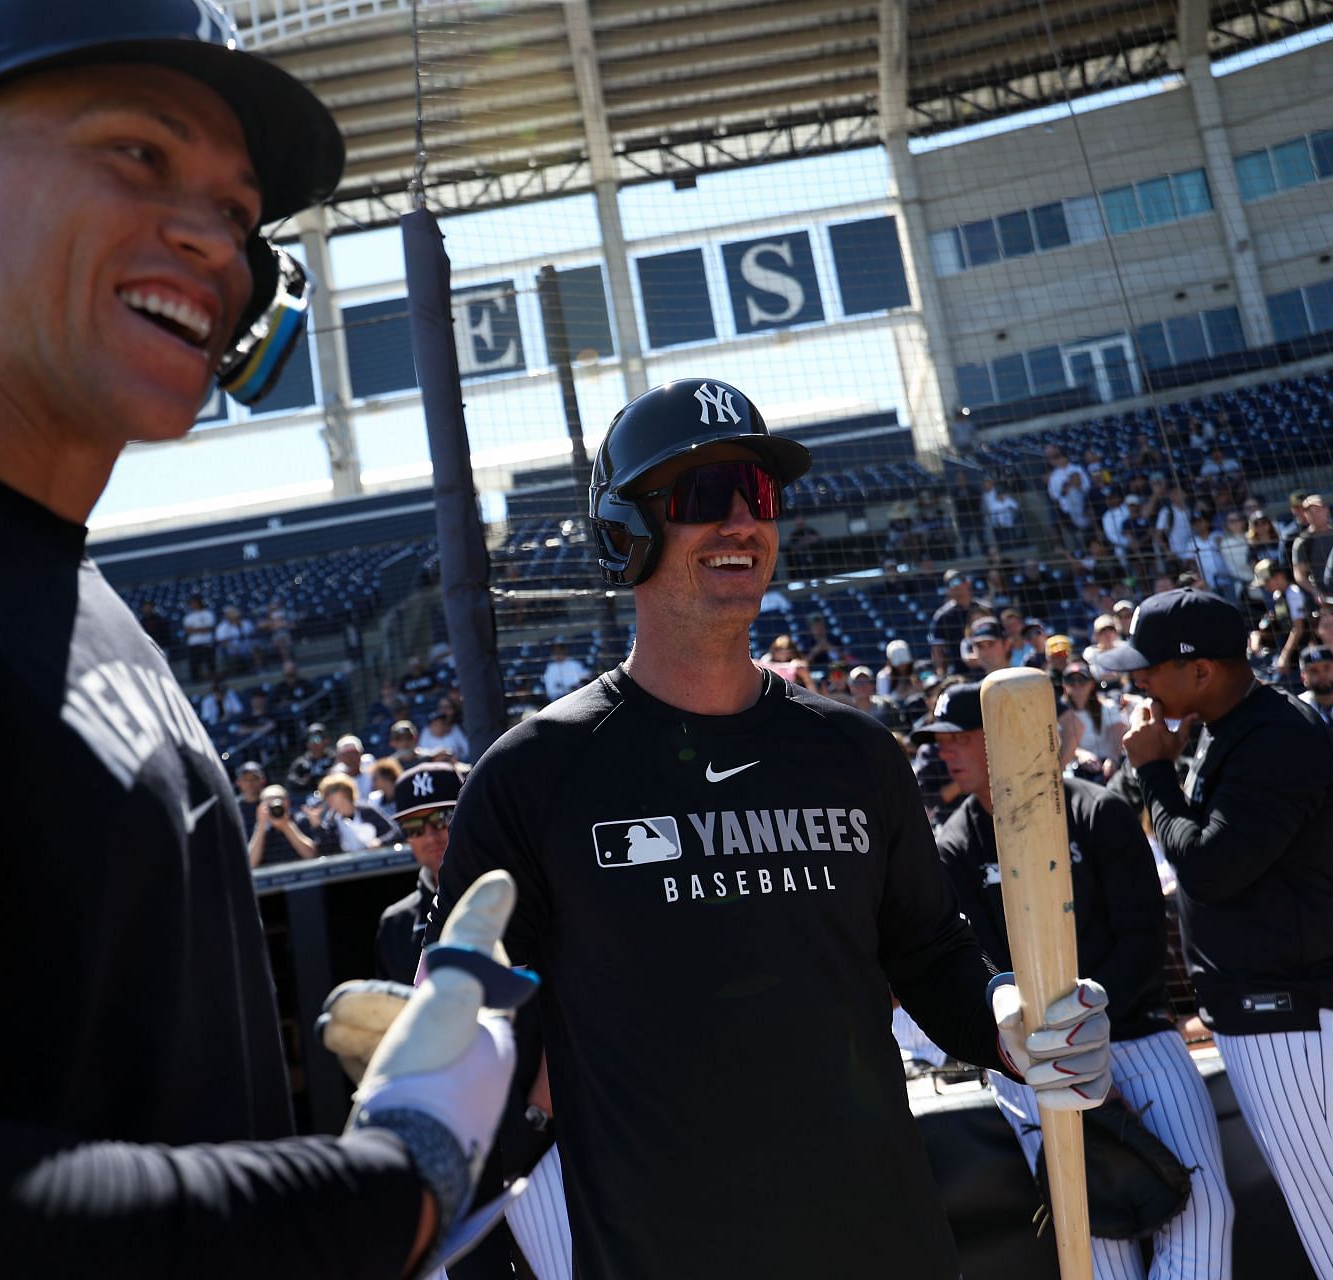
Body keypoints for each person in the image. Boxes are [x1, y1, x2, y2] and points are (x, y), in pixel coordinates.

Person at [0, 3, 514, 1271]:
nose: (214, 238)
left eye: (241, 213)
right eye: (138, 152)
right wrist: (384, 1184)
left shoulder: (98, 607)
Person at [428, 378, 1112, 1279]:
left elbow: (932, 955)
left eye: (758, 495)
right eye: (702, 496)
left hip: (888, 1247)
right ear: (623, 532)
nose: (741, 522)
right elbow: (470, 1034)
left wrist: (1007, 1018)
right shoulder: (530, 777)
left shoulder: (857, 753)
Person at [1104, 589, 1333, 1280]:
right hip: (1282, 1015)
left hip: (1297, 1016)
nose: (1136, 681)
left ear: (1201, 672)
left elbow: (1210, 867)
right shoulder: (1234, 726)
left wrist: (1155, 771)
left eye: (1150, 667)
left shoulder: (1277, 736)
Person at [917, 681, 1234, 1279]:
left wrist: (1092, 1031)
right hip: (1032, 1057)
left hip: (1134, 1030)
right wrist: (1065, 1053)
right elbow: (981, 966)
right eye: (941, 741)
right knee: (1096, 1234)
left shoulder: (1097, 810)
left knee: (1206, 1207)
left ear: (1006, 738)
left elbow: (1143, 937)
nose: (947, 751)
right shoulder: (954, 844)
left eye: (962, 737)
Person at [375, 762, 467, 985]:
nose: (430, 836)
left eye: (443, 818)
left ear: (467, 816)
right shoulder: (395, 924)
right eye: (414, 826)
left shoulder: (509, 895)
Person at [249, 783, 321, 867]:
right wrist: (261, 826)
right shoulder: (261, 828)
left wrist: (286, 826)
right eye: (269, 803)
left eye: (278, 801)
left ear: (287, 802)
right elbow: (251, 863)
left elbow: (312, 856)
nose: (274, 807)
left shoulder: (301, 820)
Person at [1297, 645, 1333, 737]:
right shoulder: (1298, 706)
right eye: (1314, 670)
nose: (1322, 675)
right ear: (1303, 677)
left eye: (1327, 667)